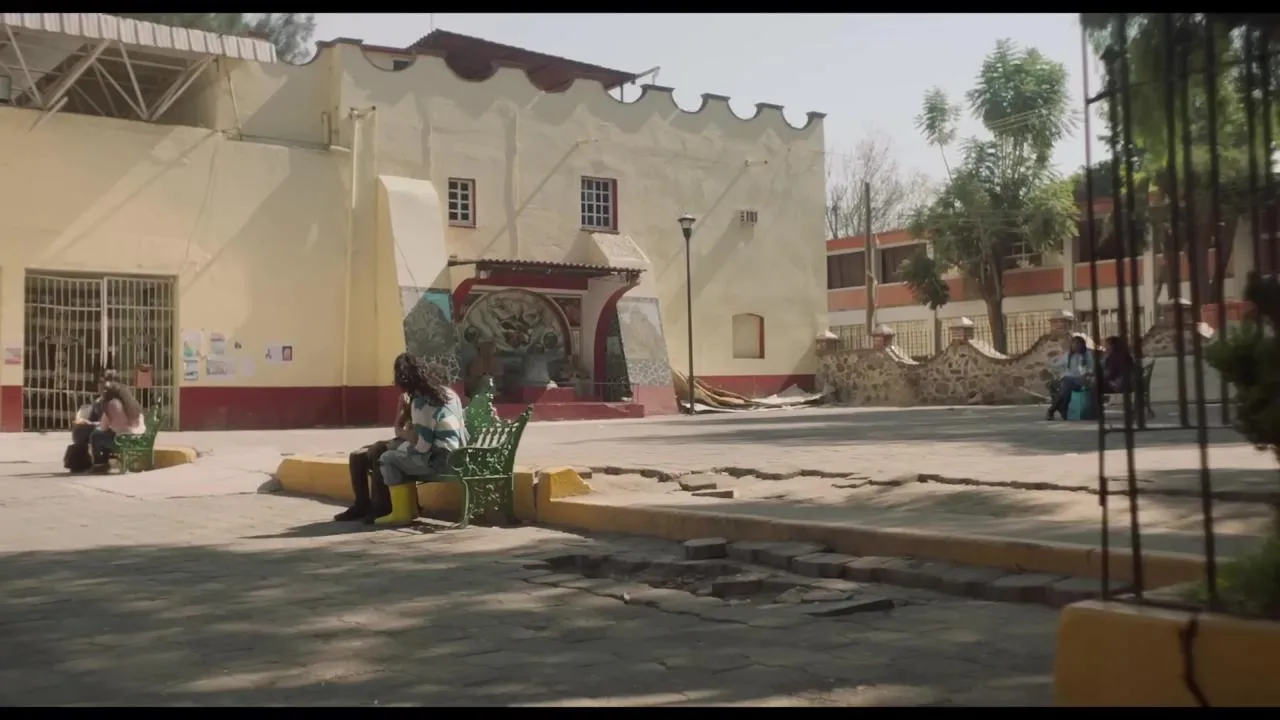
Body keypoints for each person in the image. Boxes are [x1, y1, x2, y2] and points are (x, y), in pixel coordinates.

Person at [374, 353, 469, 525]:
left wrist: (400, 434)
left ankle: (401, 513)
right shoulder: (449, 393)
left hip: (441, 461)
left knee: (388, 458)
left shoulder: (421, 402)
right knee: (398, 454)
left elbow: (423, 446)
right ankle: (410, 510)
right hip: (460, 455)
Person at [333, 393, 413, 524]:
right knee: (357, 455)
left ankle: (381, 507)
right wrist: (401, 409)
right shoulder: (410, 397)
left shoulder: (425, 398)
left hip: (412, 442)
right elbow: (399, 426)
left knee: (379, 450)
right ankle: (361, 505)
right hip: (403, 439)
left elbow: (412, 434)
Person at [89, 381, 146, 472]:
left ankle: (100, 464)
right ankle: (103, 463)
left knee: (95, 435)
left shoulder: (112, 404)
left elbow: (103, 427)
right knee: (107, 434)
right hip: (138, 439)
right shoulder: (134, 404)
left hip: (122, 441)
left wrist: (91, 424)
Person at [65, 370, 116, 473]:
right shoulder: (98, 401)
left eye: (104, 382)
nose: (101, 386)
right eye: (100, 382)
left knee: (89, 433)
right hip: (102, 428)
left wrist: (92, 424)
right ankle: (80, 461)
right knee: (80, 430)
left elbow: (111, 421)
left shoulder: (113, 402)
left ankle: (98, 463)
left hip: (113, 432)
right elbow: (93, 418)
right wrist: (84, 421)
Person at [1047, 334, 1095, 421]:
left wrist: (1087, 375)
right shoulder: (1068, 355)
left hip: (1081, 380)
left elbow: (1091, 368)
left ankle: (1053, 410)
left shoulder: (1087, 355)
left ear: (1082, 345)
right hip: (1068, 379)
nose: (1075, 346)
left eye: (1078, 344)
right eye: (1073, 344)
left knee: (1066, 387)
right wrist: (1057, 356)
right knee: (1067, 386)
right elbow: (1055, 364)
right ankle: (1059, 410)